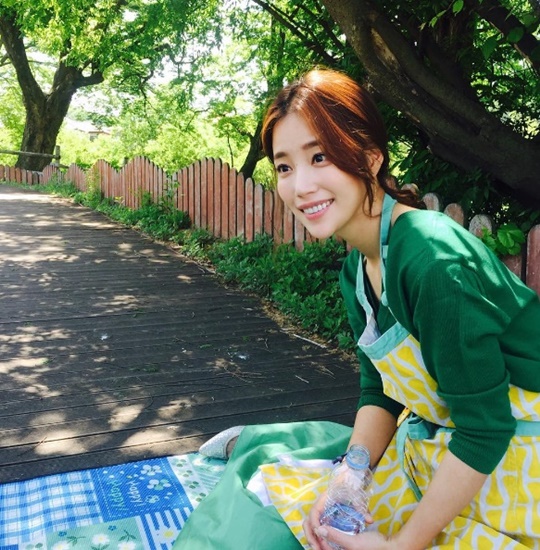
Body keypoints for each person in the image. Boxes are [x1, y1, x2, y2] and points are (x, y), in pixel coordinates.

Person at [173, 69, 540, 550]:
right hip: (446, 444)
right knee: (291, 513)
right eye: (284, 167)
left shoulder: (432, 261)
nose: (300, 186)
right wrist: (349, 482)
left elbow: (485, 429)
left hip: (515, 461)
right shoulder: (358, 271)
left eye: (319, 157)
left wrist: (400, 546)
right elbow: (380, 391)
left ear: (370, 157)